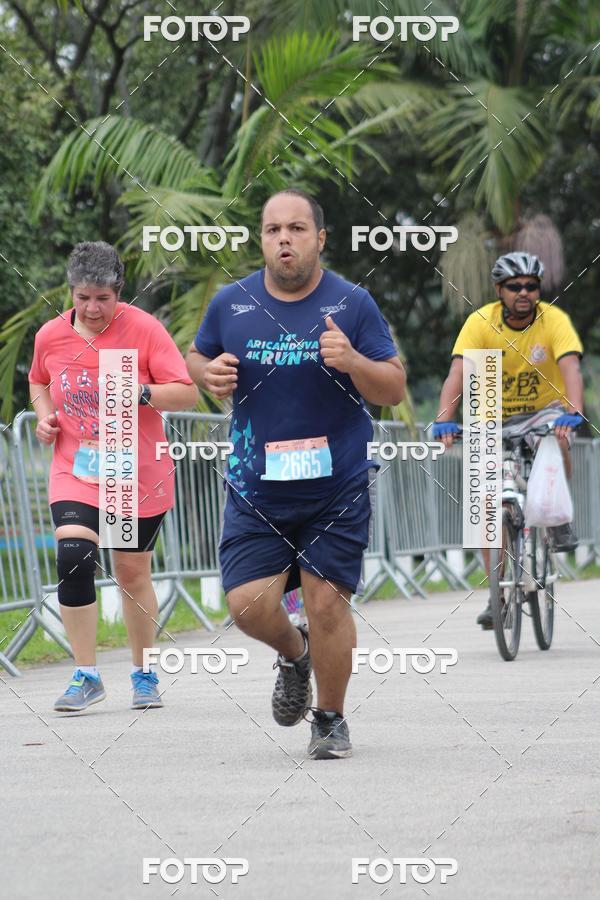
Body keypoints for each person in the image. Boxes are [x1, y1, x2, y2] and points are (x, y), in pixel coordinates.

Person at [186, 189, 405, 759]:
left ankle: (329, 719)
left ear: (320, 238)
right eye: (273, 230)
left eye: (297, 229)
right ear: (261, 239)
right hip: (256, 489)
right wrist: (207, 373)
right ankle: (294, 652)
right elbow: (195, 356)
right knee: (247, 606)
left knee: (327, 601)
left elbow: (394, 384)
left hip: (337, 487)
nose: (284, 239)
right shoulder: (230, 304)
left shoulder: (353, 304)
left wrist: (354, 362)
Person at [29, 241, 198, 711]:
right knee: (74, 556)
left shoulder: (143, 329)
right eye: (83, 297)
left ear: (119, 292)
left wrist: (141, 392)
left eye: (103, 297)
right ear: (72, 292)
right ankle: (86, 675)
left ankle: (143, 673)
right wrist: (45, 415)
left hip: (133, 472)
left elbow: (186, 394)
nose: (92, 307)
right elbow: (38, 379)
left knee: (130, 571)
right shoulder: (51, 335)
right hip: (75, 469)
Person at [433, 251, 584, 629]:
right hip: (490, 408)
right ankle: (497, 594)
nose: (523, 292)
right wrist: (443, 422)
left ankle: (558, 516)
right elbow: (458, 374)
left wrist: (574, 412)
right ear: (500, 290)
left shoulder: (554, 321)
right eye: (515, 286)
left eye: (531, 286)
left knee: (559, 438)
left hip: (543, 408)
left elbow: (571, 368)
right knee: (486, 508)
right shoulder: (480, 322)